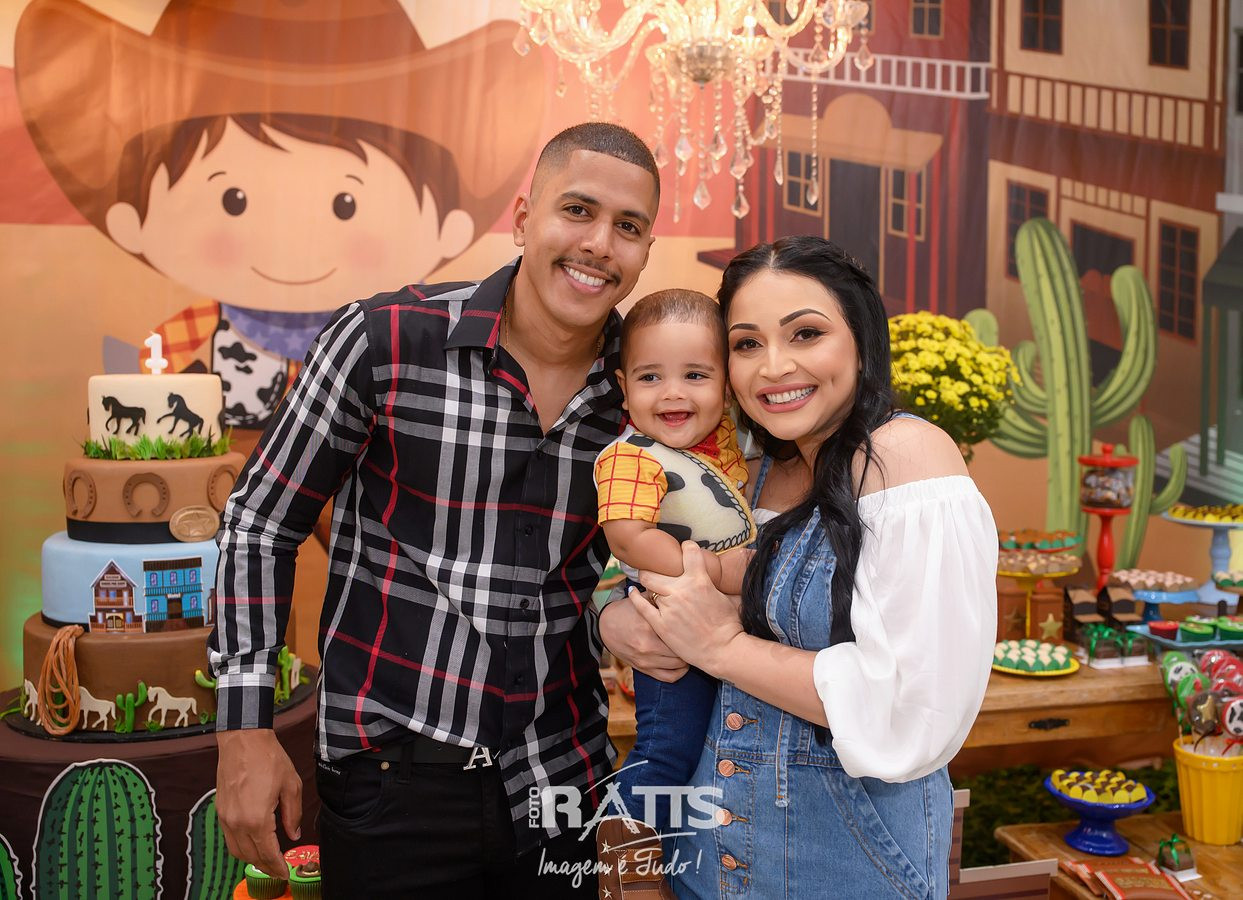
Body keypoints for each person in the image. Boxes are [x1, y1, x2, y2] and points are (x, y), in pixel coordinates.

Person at [208, 122, 660, 899]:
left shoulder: (645, 395)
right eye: (577, 210)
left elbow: (639, 563)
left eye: (628, 226)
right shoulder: (384, 340)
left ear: (646, 249)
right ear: (523, 218)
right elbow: (261, 521)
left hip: (562, 778)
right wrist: (244, 727)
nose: (598, 244)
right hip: (392, 783)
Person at [601, 236, 998, 898]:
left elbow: (910, 710)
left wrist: (722, 647)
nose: (773, 366)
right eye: (746, 343)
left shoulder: (905, 459)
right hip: (704, 863)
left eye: (806, 333)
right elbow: (645, 565)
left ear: (861, 340)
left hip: (842, 874)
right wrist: (613, 616)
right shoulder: (746, 475)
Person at [14, 0, 543, 429]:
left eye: (345, 204)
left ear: (446, 226)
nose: (292, 240)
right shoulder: (191, 333)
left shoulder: (401, 336)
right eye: (234, 199)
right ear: (135, 221)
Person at [592, 290, 753, 838]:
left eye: (696, 375)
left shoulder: (721, 440)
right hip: (671, 631)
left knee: (715, 753)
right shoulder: (632, 456)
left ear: (726, 385)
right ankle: (624, 858)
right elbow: (629, 538)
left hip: (721, 634)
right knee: (668, 750)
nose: (673, 393)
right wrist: (719, 571)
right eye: (650, 377)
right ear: (624, 387)